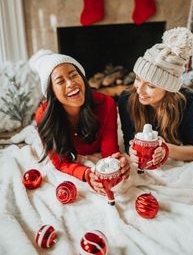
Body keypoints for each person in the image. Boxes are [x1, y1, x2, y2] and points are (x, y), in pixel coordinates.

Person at [30, 50, 130, 195]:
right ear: (52, 93)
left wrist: (118, 162)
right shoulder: (43, 115)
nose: (71, 83)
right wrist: (86, 174)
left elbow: (110, 152)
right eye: (60, 81)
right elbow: (61, 162)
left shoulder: (106, 104)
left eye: (74, 75)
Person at [118, 27, 193, 166]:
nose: (139, 90)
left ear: (168, 89)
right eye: (138, 79)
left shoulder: (188, 101)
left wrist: (166, 148)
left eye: (150, 86)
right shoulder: (126, 98)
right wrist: (132, 152)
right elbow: (128, 140)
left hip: (188, 106)